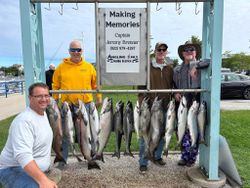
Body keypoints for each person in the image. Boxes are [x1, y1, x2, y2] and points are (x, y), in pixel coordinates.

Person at [52, 40, 102, 166]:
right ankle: (62, 160)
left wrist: (99, 97)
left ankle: (91, 156)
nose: (76, 52)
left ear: (82, 51)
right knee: (64, 133)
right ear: (69, 51)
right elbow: (55, 85)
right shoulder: (61, 67)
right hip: (67, 106)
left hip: (86, 105)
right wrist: (55, 100)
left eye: (78, 50)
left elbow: (96, 84)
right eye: (73, 50)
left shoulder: (89, 67)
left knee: (88, 134)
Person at [0, 83, 59, 188]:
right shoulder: (24, 121)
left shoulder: (43, 113)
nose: (44, 99)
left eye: (46, 95)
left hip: (34, 168)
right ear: (30, 98)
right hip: (13, 168)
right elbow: (23, 155)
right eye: (39, 96)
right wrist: (43, 180)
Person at [138, 42, 173, 173]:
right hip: (149, 107)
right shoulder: (147, 67)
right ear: (155, 51)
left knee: (162, 134)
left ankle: (157, 156)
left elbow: (173, 87)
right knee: (145, 135)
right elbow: (140, 87)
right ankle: (143, 161)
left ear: (166, 52)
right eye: (159, 49)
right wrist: (142, 103)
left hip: (164, 107)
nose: (161, 51)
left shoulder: (170, 68)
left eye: (164, 49)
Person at [173, 40, 201, 167]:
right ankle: (184, 156)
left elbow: (213, 62)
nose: (189, 52)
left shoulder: (201, 65)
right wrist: (175, 93)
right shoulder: (177, 69)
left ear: (195, 52)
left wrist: (197, 66)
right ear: (182, 53)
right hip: (182, 105)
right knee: (182, 130)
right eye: (186, 50)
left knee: (194, 131)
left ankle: (192, 158)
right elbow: (173, 85)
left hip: (196, 104)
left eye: (191, 49)